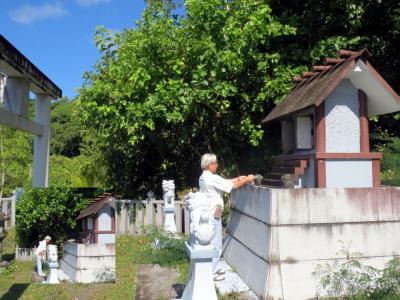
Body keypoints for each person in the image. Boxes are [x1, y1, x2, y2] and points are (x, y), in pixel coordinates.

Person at [199, 153, 254, 281]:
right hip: (214, 215)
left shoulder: (203, 177)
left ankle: (211, 267)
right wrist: (247, 179)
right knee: (216, 244)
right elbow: (232, 187)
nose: (217, 165)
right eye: (215, 163)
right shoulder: (211, 178)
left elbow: (224, 182)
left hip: (208, 213)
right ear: (210, 165)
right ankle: (211, 272)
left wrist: (238, 178)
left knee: (211, 243)